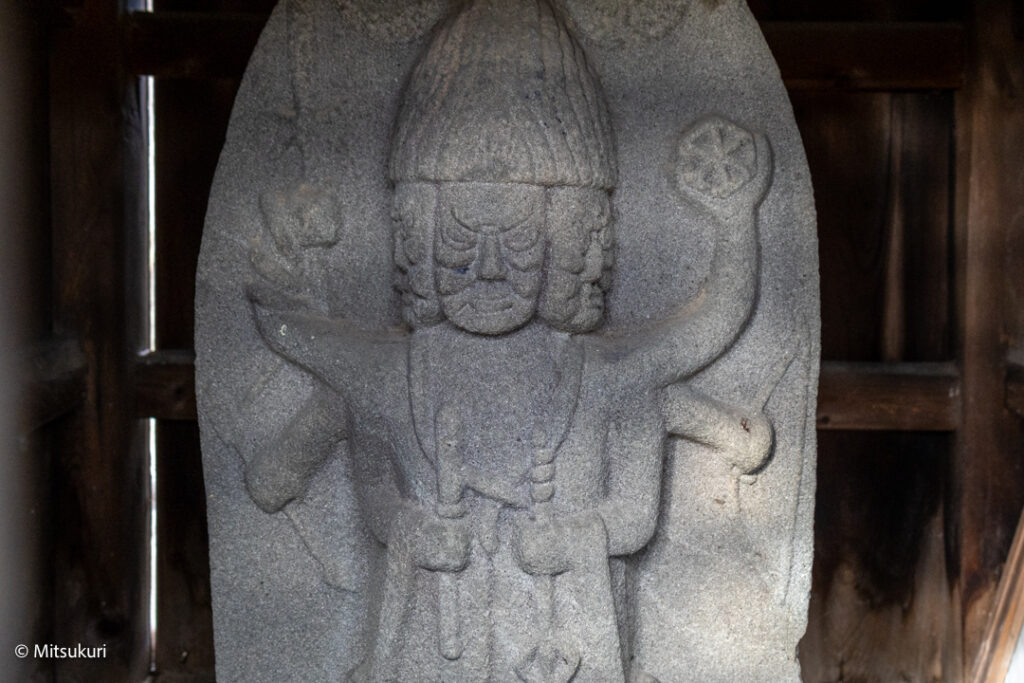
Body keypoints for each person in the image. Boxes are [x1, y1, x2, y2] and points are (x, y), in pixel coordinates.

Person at [245, 1, 773, 680]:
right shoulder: (390, 375)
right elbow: (373, 489)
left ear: (572, 239)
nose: (488, 268)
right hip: (435, 651)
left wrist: (735, 220)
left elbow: (710, 332)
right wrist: (411, 529)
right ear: (416, 235)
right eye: (460, 240)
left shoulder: (605, 375)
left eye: (519, 242)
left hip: (563, 651)